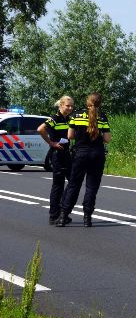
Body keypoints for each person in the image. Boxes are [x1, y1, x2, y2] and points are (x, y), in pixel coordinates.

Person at [56, 93, 111, 227]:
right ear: (99, 104)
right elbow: (107, 139)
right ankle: (87, 218)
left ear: (87, 103)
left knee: (73, 185)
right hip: (97, 155)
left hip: (80, 154)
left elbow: (70, 136)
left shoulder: (75, 115)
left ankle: (63, 216)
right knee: (91, 187)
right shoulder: (102, 117)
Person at [37, 96, 74, 225]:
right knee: (58, 185)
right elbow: (40, 129)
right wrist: (51, 143)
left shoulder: (69, 119)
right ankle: (54, 215)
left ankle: (63, 211)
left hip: (67, 154)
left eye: (71, 106)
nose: (70, 108)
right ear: (61, 105)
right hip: (57, 154)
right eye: (67, 106)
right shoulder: (54, 118)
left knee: (73, 182)